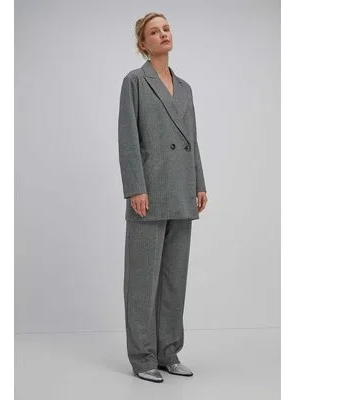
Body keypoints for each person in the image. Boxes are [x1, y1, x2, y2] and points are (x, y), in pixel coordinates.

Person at [118, 12, 208, 383]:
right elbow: (128, 138)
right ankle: (143, 357)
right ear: (143, 43)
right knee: (142, 280)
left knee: (173, 278)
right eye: (154, 32)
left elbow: (192, 139)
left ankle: (169, 352)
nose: (163, 34)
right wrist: (135, 188)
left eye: (166, 28)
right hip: (150, 192)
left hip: (182, 189)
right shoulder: (135, 82)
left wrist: (199, 182)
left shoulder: (184, 87)